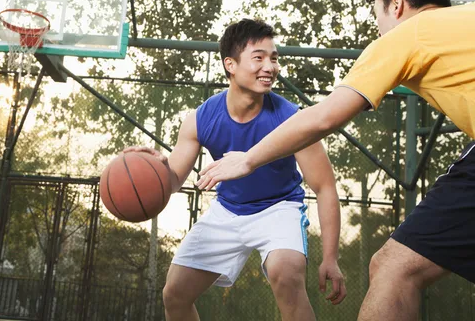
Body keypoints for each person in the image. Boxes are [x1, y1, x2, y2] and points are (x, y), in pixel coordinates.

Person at [196, 0, 475, 321]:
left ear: (397, 4)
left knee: (394, 269)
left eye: (378, 16)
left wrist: (247, 158)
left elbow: (325, 117)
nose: (379, 29)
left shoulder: (410, 33)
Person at [125, 18, 346, 321]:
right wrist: (154, 165)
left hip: (278, 209)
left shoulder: (292, 119)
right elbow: (173, 179)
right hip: (227, 212)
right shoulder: (201, 119)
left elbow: (324, 187)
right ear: (230, 64)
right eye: (259, 57)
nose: (270, 67)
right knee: (174, 294)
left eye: (274, 58)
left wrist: (331, 258)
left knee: (286, 275)